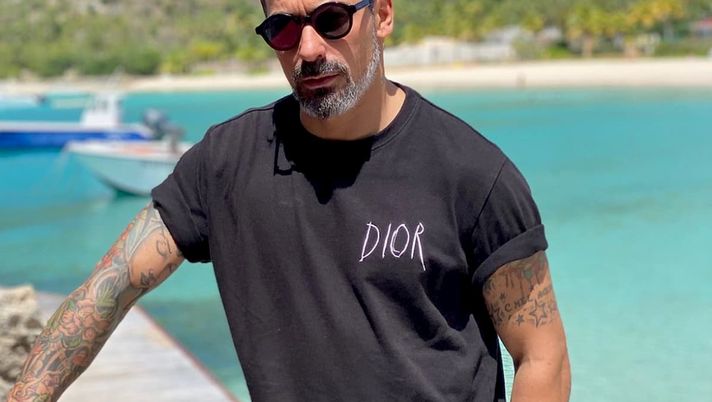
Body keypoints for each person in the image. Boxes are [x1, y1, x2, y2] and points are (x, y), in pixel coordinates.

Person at [8, 0, 571, 401]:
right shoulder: (225, 163)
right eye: (283, 29)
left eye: (332, 20)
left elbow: (542, 358)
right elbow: (108, 291)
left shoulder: (472, 174)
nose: (308, 49)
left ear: (382, 15)